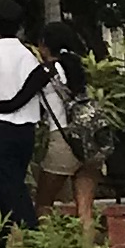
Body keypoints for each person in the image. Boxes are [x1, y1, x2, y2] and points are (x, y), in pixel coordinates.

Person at [0, 2, 50, 236]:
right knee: (9, 184)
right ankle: (0, 241)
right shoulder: (30, 58)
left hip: (0, 131)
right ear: (20, 27)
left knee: (12, 186)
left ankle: (34, 236)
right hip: (26, 131)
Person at [33, 18, 101, 228]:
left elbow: (24, 99)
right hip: (89, 142)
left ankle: (46, 246)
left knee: (43, 204)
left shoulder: (46, 71)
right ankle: (87, 247)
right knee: (85, 211)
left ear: (44, 45)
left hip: (63, 140)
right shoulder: (76, 68)